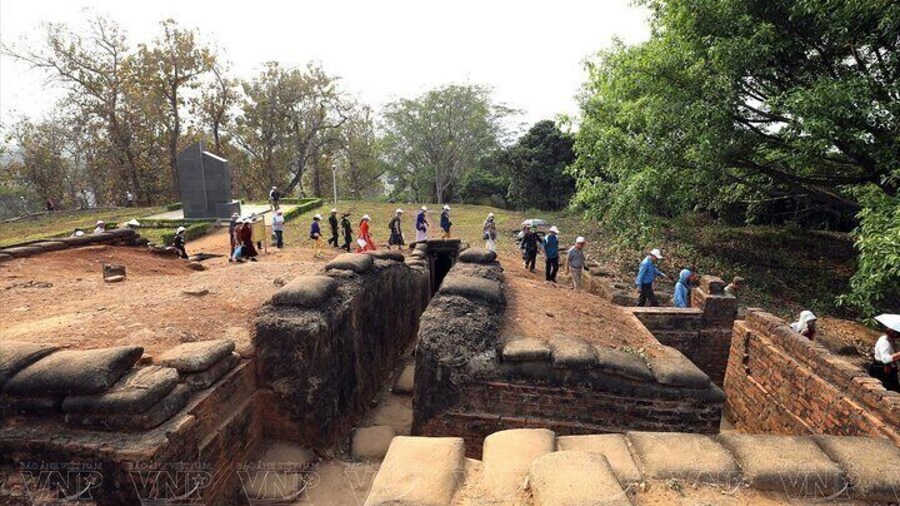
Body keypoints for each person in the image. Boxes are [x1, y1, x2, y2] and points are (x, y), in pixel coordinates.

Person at [869, 314, 900, 392]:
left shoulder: (891, 341)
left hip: (889, 369)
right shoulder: (884, 342)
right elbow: (885, 359)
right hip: (881, 370)